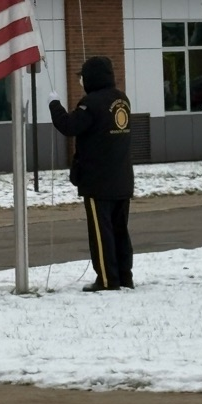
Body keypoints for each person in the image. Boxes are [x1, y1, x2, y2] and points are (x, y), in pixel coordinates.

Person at [48, 55, 134, 291]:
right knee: (119, 232)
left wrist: (54, 105)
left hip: (99, 182)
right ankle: (125, 276)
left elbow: (68, 126)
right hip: (122, 178)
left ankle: (107, 280)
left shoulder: (91, 103)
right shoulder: (121, 100)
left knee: (101, 234)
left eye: (83, 77)